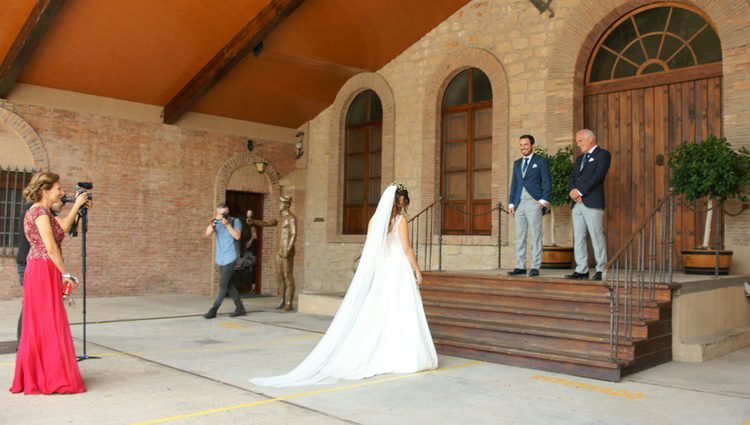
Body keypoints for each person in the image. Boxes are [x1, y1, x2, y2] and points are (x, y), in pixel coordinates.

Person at [251, 183, 438, 387]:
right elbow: (407, 247)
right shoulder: (401, 220)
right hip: (398, 269)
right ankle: (402, 355)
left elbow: (371, 250)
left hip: (384, 269)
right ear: (400, 200)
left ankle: (382, 351)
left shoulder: (374, 220)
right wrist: (417, 270)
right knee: (400, 310)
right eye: (404, 200)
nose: (405, 204)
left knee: (382, 311)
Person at [11, 172, 88, 395]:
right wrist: (66, 274)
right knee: (48, 321)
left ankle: (41, 373)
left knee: (44, 322)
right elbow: (51, 247)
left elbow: (63, 227)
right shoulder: (38, 212)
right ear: (45, 190)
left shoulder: (41, 211)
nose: (60, 191)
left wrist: (78, 206)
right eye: (57, 188)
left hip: (41, 268)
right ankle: (48, 376)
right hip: (42, 268)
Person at [565, 129, 611, 281]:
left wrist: (580, 192)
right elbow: (572, 177)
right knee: (579, 237)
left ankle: (601, 269)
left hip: (592, 202)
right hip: (577, 204)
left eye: (580, 141)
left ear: (590, 139)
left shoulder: (603, 154)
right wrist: (572, 191)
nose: (578, 144)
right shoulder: (579, 159)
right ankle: (582, 270)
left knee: (596, 236)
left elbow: (597, 176)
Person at [507, 134, 551, 277]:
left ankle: (535, 266)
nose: (523, 147)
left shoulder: (541, 161)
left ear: (532, 145)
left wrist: (543, 200)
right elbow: (514, 184)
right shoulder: (517, 163)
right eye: (521, 145)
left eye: (525, 145)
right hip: (519, 203)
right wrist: (511, 203)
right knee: (520, 236)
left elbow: (547, 181)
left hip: (534, 202)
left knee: (536, 235)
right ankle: (520, 266)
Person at [246, 197, 298, 311]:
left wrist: (288, 249)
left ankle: (289, 303)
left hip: (286, 250)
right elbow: (267, 223)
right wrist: (254, 221)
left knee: (288, 276)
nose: (279, 204)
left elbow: (294, 235)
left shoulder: (291, 218)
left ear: (287, 205)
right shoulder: (279, 217)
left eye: (281, 203)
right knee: (280, 276)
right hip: (279, 249)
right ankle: (282, 300)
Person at [203, 204, 246, 319]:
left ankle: (213, 310)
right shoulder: (216, 222)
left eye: (227, 212)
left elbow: (237, 236)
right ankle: (240, 308)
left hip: (230, 258)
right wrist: (215, 222)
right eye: (223, 213)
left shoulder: (234, 221)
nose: (226, 215)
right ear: (218, 213)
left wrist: (227, 225)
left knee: (223, 285)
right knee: (228, 285)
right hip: (220, 259)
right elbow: (207, 233)